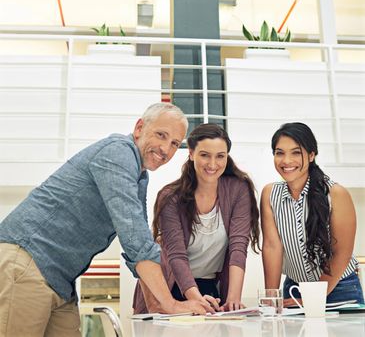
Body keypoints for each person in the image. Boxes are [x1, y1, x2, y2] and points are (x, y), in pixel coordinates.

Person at [0, 103, 210, 337]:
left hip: (60, 280)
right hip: (28, 261)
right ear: (139, 128)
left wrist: (157, 305)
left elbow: (138, 252)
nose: (165, 150)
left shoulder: (140, 177)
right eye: (161, 135)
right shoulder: (117, 152)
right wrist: (171, 303)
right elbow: (135, 241)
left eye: (174, 143)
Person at [133, 123, 260, 314]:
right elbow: (176, 256)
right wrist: (195, 300)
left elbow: (238, 246)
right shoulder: (171, 198)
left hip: (209, 287)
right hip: (169, 288)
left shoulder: (238, 190)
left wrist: (233, 298)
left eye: (220, 156)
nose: (212, 164)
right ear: (191, 153)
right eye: (204, 155)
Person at [261, 122, 364, 306]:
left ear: (311, 155)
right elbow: (272, 247)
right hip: (294, 288)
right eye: (279, 153)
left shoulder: (335, 194)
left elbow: (342, 253)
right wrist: (272, 298)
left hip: (340, 289)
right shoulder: (270, 194)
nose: (286, 161)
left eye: (296, 152)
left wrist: (312, 298)